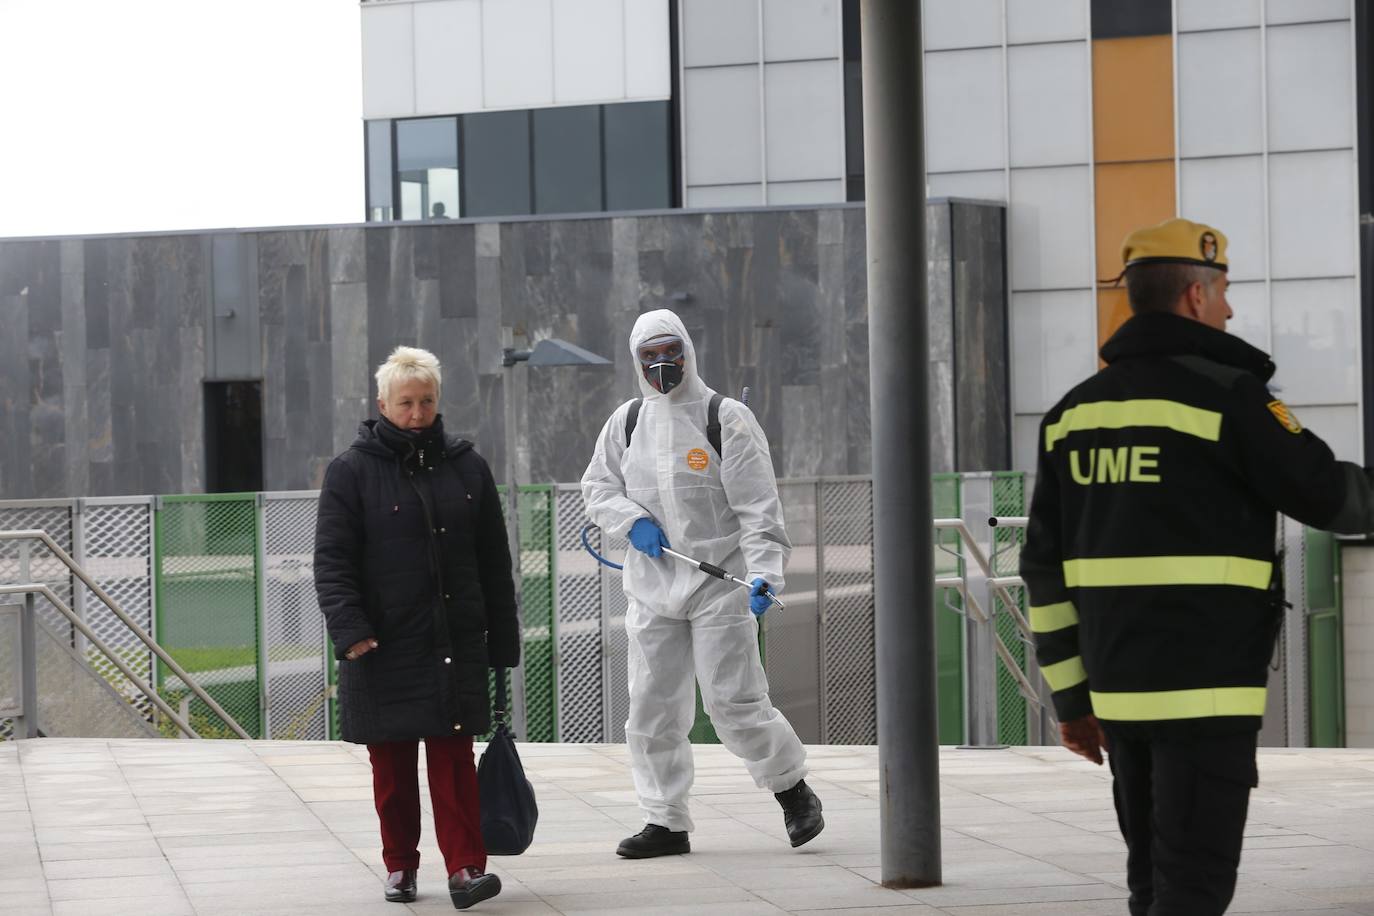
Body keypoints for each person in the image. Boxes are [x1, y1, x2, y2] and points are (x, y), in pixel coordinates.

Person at [1021, 218, 1374, 915]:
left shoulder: (1071, 417)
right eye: (1223, 292)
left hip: (1118, 698)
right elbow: (1331, 497)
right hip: (1206, 695)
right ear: (1193, 296)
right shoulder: (1230, 399)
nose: (1230, 310)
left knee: (1152, 879)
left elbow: (1043, 569)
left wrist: (1072, 701)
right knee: (1195, 885)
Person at [581, 308, 824, 858]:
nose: (661, 363)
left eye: (670, 350)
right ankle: (665, 821)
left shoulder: (725, 417)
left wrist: (763, 576)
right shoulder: (626, 422)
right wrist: (630, 521)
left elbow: (759, 511)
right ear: (635, 360)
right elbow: (597, 487)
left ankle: (792, 790)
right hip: (652, 585)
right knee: (651, 707)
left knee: (732, 700)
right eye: (649, 355)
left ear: (687, 350)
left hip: (719, 585)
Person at [314, 345, 519, 909]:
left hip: (453, 641)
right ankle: (401, 868)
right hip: (382, 645)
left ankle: (465, 870)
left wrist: (501, 640)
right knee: (393, 767)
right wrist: (350, 629)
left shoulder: (468, 466)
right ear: (382, 403)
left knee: (454, 762)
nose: (417, 412)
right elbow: (331, 561)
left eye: (426, 401)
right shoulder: (350, 472)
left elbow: (493, 562)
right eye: (405, 402)